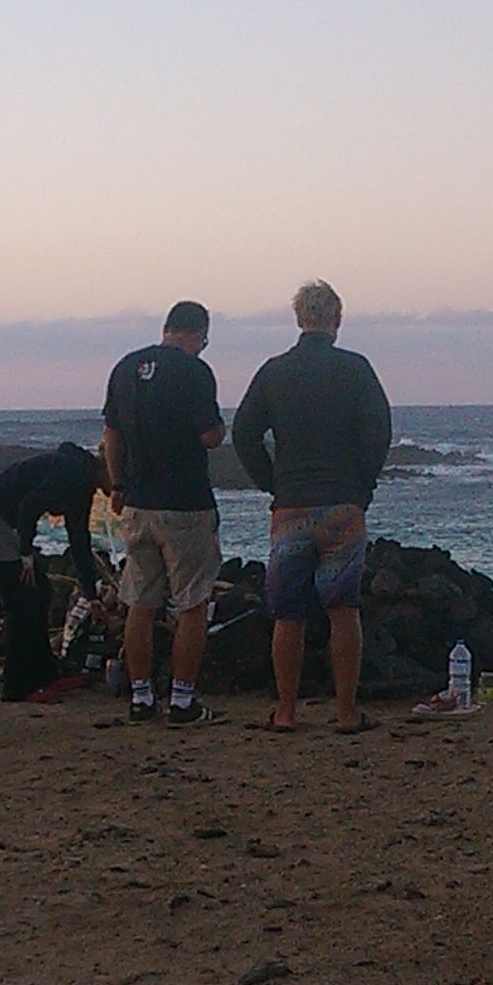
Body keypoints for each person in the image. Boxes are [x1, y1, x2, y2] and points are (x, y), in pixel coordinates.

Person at [231, 279, 391, 732]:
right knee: (343, 610)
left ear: (299, 319)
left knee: (288, 613)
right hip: (342, 503)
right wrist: (363, 485)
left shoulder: (274, 371)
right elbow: (378, 432)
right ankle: (345, 712)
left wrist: (271, 482)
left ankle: (286, 711)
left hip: (292, 506)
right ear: (336, 320)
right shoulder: (355, 368)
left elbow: (243, 433)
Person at [102, 300, 227, 726]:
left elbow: (112, 434)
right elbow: (209, 436)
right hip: (185, 502)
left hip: (138, 502)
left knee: (140, 602)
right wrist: (220, 429)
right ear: (199, 334)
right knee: (192, 602)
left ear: (167, 327)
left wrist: (118, 485)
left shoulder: (126, 367)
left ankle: (140, 696)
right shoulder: (194, 371)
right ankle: (181, 699)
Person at [0, 440, 108, 701]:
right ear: (106, 466)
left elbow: (79, 539)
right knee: (24, 602)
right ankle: (18, 687)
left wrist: (92, 596)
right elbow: (29, 506)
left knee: (40, 592)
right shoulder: (73, 471)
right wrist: (25, 554)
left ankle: (46, 675)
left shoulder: (82, 484)